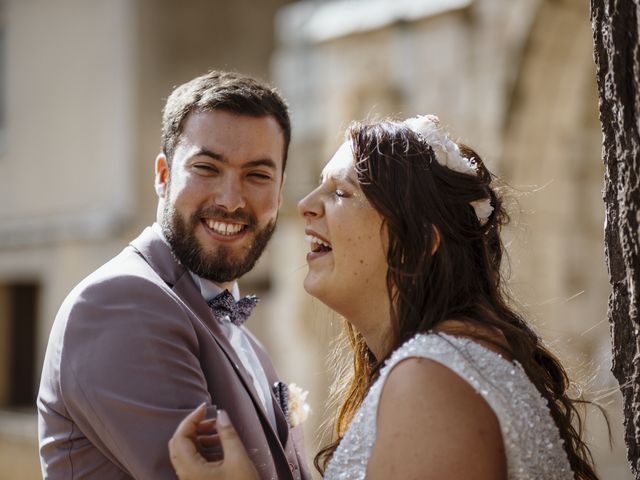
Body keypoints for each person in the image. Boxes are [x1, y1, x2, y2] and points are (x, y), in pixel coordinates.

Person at [168, 115, 601, 479]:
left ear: (419, 243)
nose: (305, 205)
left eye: (341, 193)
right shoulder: (451, 362)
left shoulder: (430, 382)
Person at [37, 70, 311, 480]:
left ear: (280, 190)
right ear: (163, 176)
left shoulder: (248, 343)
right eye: (206, 168)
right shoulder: (123, 303)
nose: (231, 201)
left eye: (257, 175)